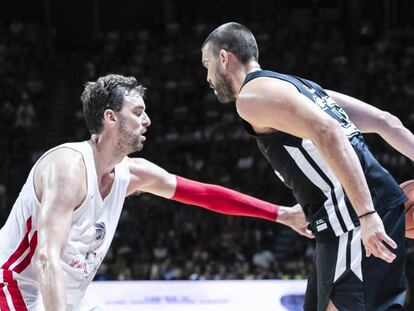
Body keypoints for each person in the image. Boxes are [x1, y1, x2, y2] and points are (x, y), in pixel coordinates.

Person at [0, 74, 312, 311]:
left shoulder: (132, 173)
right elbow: (46, 257)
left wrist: (280, 214)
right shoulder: (68, 167)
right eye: (137, 112)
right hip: (13, 287)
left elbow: (205, 194)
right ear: (110, 117)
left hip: (61, 298)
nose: (147, 120)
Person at [201, 22, 414, 311]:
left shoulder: (251, 98)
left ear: (223, 58)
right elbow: (386, 122)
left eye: (207, 65)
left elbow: (329, 133)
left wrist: (366, 213)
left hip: (352, 218)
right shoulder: (304, 87)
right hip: (348, 216)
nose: (208, 77)